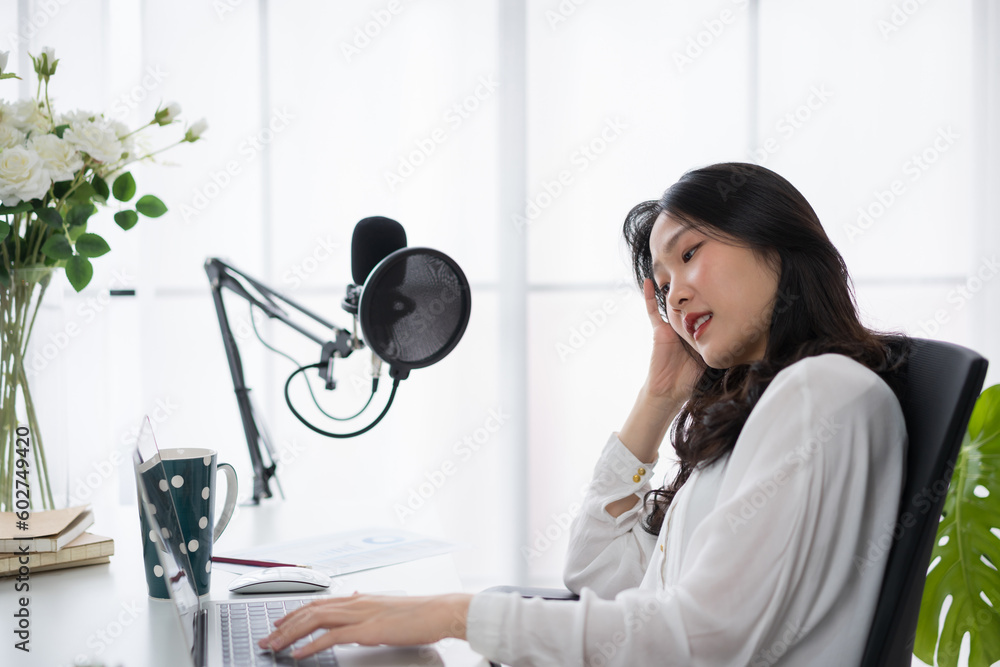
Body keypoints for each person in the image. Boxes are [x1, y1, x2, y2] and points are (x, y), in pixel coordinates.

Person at [260, 162, 911, 665]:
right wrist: (660, 395)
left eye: (688, 254)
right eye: (661, 281)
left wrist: (457, 613)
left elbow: (701, 641)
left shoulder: (820, 394)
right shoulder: (765, 410)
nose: (675, 293)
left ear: (775, 239)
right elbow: (598, 571)